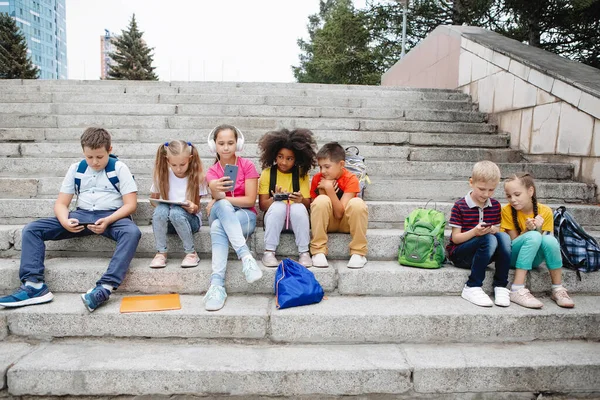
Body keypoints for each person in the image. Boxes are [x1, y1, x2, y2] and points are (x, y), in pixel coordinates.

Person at [0, 127, 141, 312]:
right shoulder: (77, 168)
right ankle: (34, 286)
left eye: (100, 157)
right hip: (81, 216)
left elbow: (130, 204)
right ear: (83, 152)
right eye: (90, 157)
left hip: (112, 216)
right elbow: (61, 203)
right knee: (32, 229)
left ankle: (104, 288)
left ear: (110, 150)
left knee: (132, 232)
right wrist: (65, 220)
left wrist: (108, 220)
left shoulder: (119, 168)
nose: (94, 162)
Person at [203, 124, 263, 311]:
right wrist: (219, 197)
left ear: (238, 143)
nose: (226, 147)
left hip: (245, 216)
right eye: (221, 143)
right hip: (222, 212)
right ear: (214, 146)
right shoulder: (212, 172)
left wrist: (224, 199)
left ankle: (217, 285)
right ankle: (246, 257)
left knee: (217, 227)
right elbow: (218, 198)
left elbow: (251, 200)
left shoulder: (247, 166)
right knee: (221, 205)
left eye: (230, 142)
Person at [502, 172, 575, 309]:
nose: (512, 199)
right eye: (508, 196)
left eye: (517, 194)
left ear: (530, 191)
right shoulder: (506, 211)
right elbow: (512, 243)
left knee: (550, 240)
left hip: (534, 259)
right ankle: (517, 288)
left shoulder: (545, 211)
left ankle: (557, 289)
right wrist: (528, 231)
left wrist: (539, 229)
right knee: (534, 236)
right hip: (512, 256)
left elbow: (546, 242)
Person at [447, 160, 511, 307]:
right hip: (460, 255)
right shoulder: (460, 206)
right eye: (482, 189)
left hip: (484, 253)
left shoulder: (495, 206)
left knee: (503, 237)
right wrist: (475, 232)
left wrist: (494, 230)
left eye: (491, 190)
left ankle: (501, 285)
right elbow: (455, 239)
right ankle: (472, 286)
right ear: (471, 182)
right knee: (488, 239)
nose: (486, 194)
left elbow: (497, 232)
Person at [257, 128, 317, 268]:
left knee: (298, 207)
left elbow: (308, 204)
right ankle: (269, 252)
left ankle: (304, 252)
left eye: (289, 158)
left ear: (296, 159)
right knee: (278, 206)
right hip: (275, 219)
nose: (284, 162)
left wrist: (301, 199)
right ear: (274, 156)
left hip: (296, 219)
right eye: (280, 157)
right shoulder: (267, 173)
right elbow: (262, 206)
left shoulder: (301, 174)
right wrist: (274, 198)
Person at [149, 140, 207, 269]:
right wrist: (163, 205)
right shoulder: (162, 175)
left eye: (182, 164)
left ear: (190, 159)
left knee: (176, 211)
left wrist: (192, 207)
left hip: (190, 220)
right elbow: (153, 201)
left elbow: (197, 208)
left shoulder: (197, 177)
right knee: (162, 209)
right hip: (168, 222)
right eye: (174, 165)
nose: (178, 169)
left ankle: (191, 253)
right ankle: (161, 253)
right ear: (167, 160)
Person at [309, 142, 368, 269]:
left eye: (327, 167)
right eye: (320, 167)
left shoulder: (351, 179)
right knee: (321, 200)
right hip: (327, 223)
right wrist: (323, 193)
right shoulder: (317, 179)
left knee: (357, 203)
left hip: (346, 223)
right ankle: (318, 250)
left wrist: (329, 189)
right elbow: (316, 210)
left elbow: (339, 213)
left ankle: (358, 252)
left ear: (341, 164)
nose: (322, 171)